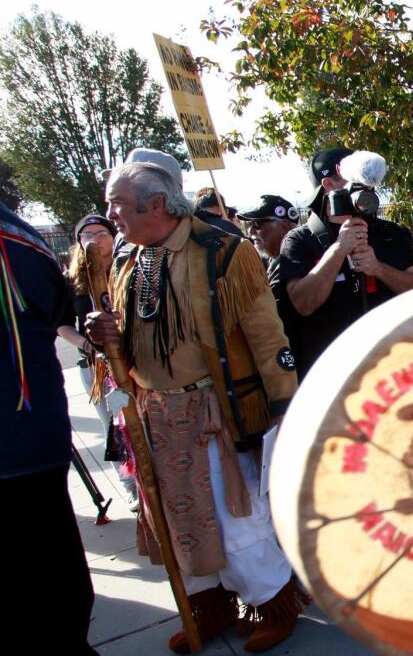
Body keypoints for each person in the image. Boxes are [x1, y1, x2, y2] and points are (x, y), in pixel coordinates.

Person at [86, 161, 307, 653]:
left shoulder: (223, 251)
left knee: (236, 518)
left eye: (117, 202)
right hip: (155, 418)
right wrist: (106, 339)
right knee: (177, 521)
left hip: (215, 412)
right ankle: (207, 608)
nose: (110, 213)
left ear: (157, 204)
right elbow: (133, 332)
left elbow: (267, 334)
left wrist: (283, 408)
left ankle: (274, 603)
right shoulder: (128, 257)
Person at [1, 206, 99, 654]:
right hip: (34, 432)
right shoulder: (24, 237)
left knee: (47, 572)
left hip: (22, 433)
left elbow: (56, 308)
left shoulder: (17, 242)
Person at [274, 147, 413, 379]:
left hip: (393, 371)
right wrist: (338, 250)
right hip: (333, 377)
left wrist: (378, 269)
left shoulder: (390, 233)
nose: (362, 187)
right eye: (352, 178)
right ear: (328, 184)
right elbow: (302, 303)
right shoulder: (301, 240)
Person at [56, 214, 139, 507]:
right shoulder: (70, 281)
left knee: (139, 422)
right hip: (97, 368)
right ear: (79, 241)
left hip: (133, 361)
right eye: (88, 233)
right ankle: (129, 484)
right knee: (113, 428)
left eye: (102, 232)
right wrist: (86, 346)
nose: (96, 238)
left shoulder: (129, 268)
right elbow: (62, 324)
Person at [237, 194, 299, 262]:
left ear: (284, 227)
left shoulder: (299, 265)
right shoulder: (271, 262)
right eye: (250, 224)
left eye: (257, 223)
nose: (251, 231)